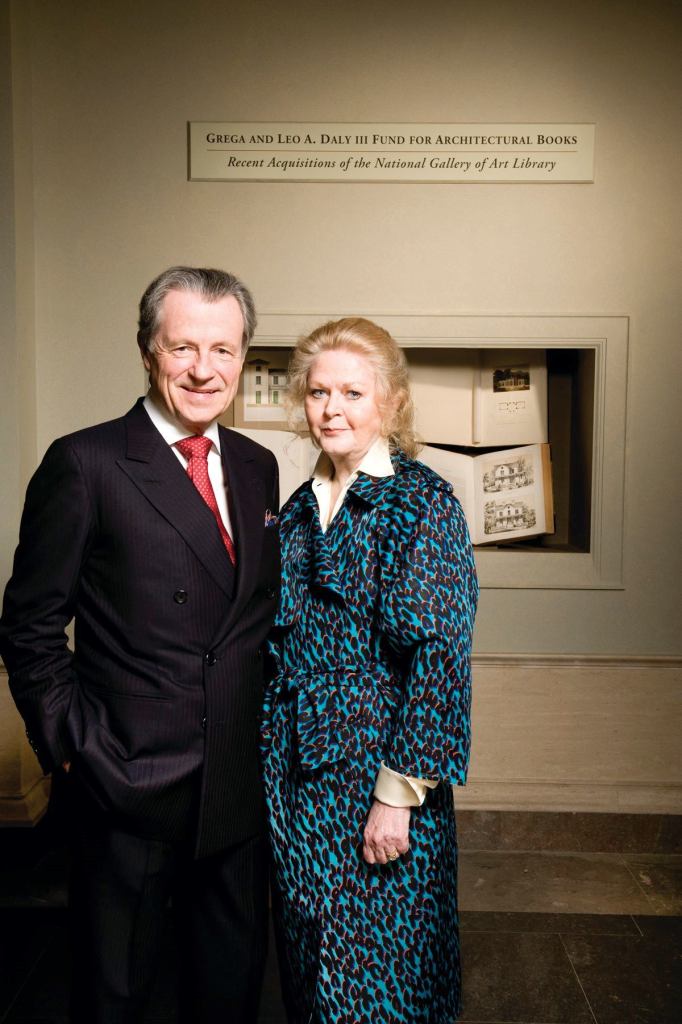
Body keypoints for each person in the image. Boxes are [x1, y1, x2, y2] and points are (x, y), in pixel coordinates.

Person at [0, 266, 280, 1024]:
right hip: (125, 780)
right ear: (148, 352)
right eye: (183, 346)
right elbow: (28, 624)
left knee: (228, 992)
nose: (203, 368)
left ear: (244, 356)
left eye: (223, 349)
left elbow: (252, 620)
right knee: (116, 997)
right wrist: (72, 745)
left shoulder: (259, 467)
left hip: (235, 784)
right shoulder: (85, 463)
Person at [261, 317, 478, 1024]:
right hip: (297, 773)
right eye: (319, 392)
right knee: (312, 959)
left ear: (391, 403)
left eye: (353, 392)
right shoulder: (296, 510)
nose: (332, 408)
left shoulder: (423, 503)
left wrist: (398, 793)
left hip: (376, 778)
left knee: (384, 970)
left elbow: (439, 657)